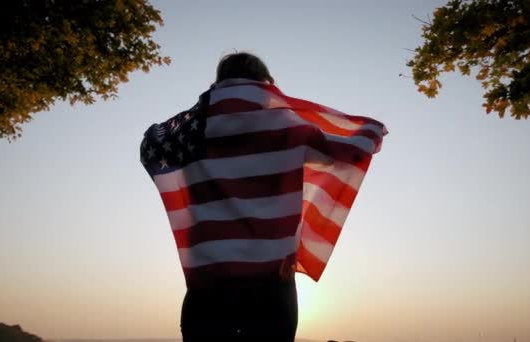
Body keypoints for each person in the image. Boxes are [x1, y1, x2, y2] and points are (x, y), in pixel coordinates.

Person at [140, 52, 387, 341]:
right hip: (271, 284)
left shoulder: (190, 130)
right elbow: (350, 151)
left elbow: (150, 146)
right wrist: (372, 132)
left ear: (220, 80)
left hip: (208, 285)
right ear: (266, 82)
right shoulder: (288, 128)